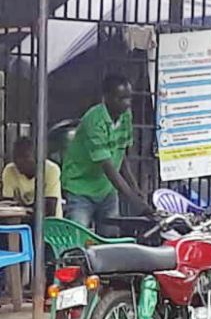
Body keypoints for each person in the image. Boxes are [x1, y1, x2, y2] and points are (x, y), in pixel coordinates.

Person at [62, 74, 152, 233]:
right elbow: (108, 167)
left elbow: (121, 153)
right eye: (121, 98)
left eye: (129, 98)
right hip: (80, 189)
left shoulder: (126, 116)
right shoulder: (94, 121)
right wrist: (133, 200)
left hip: (106, 190)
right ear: (107, 97)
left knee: (110, 241)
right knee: (76, 239)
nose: (127, 103)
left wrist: (135, 187)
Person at [0, 137, 63, 218]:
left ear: (37, 158)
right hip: (21, 222)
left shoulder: (51, 170)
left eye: (25, 157)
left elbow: (50, 211)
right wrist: (0, 197)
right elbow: (8, 209)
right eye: (15, 157)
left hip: (50, 224)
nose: (19, 161)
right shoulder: (10, 170)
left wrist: (20, 208)